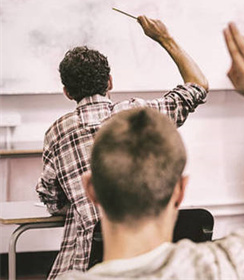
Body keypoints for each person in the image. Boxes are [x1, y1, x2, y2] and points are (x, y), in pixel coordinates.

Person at [57, 22, 244, 279]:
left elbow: (50, 195)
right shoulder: (228, 267)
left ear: (91, 188)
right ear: (180, 190)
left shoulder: (57, 132)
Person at [36, 16, 209, 279]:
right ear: (110, 82)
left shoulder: (57, 132)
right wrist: (165, 38)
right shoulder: (143, 114)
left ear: (67, 92)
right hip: (156, 263)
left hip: (88, 263)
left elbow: (51, 198)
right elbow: (198, 86)